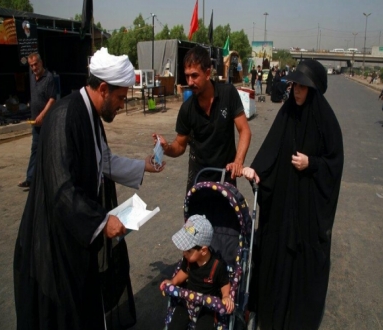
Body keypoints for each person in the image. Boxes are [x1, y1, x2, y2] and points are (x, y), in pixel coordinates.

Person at [13, 47, 165, 330]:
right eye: (120, 98)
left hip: (76, 236)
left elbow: (103, 160)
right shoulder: (64, 116)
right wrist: (102, 222)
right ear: (104, 88)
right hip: (52, 245)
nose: (121, 106)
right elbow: (62, 189)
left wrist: (143, 165)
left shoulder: (90, 113)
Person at [242, 59, 344, 330]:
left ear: (313, 89)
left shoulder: (326, 120)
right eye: (294, 84)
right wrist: (255, 169)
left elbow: (334, 163)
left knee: (302, 264)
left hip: (308, 210)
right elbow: (271, 148)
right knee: (275, 257)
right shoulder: (286, 113)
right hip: (283, 204)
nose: (296, 90)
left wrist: (313, 163)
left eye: (302, 86)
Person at [154, 45, 251, 192]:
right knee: (195, 216)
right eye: (187, 76)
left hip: (226, 178)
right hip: (198, 180)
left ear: (207, 73)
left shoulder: (228, 94)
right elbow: (180, 145)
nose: (190, 82)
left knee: (226, 215)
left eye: (194, 75)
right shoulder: (187, 109)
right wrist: (166, 148)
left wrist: (238, 161)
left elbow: (245, 131)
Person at [159, 214, 234, 329]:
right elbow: (184, 272)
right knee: (175, 325)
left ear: (203, 251)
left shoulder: (217, 266)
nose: (184, 253)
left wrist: (225, 296)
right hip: (187, 300)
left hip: (207, 306)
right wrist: (173, 281)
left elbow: (224, 283)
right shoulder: (189, 260)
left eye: (188, 250)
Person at [18, 53, 56, 188]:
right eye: (31, 66)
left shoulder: (49, 78)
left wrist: (42, 115)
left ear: (41, 62)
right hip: (36, 122)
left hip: (47, 122)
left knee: (49, 150)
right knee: (35, 149)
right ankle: (30, 178)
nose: (34, 68)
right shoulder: (32, 77)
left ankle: (53, 179)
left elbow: (52, 99)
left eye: (35, 64)